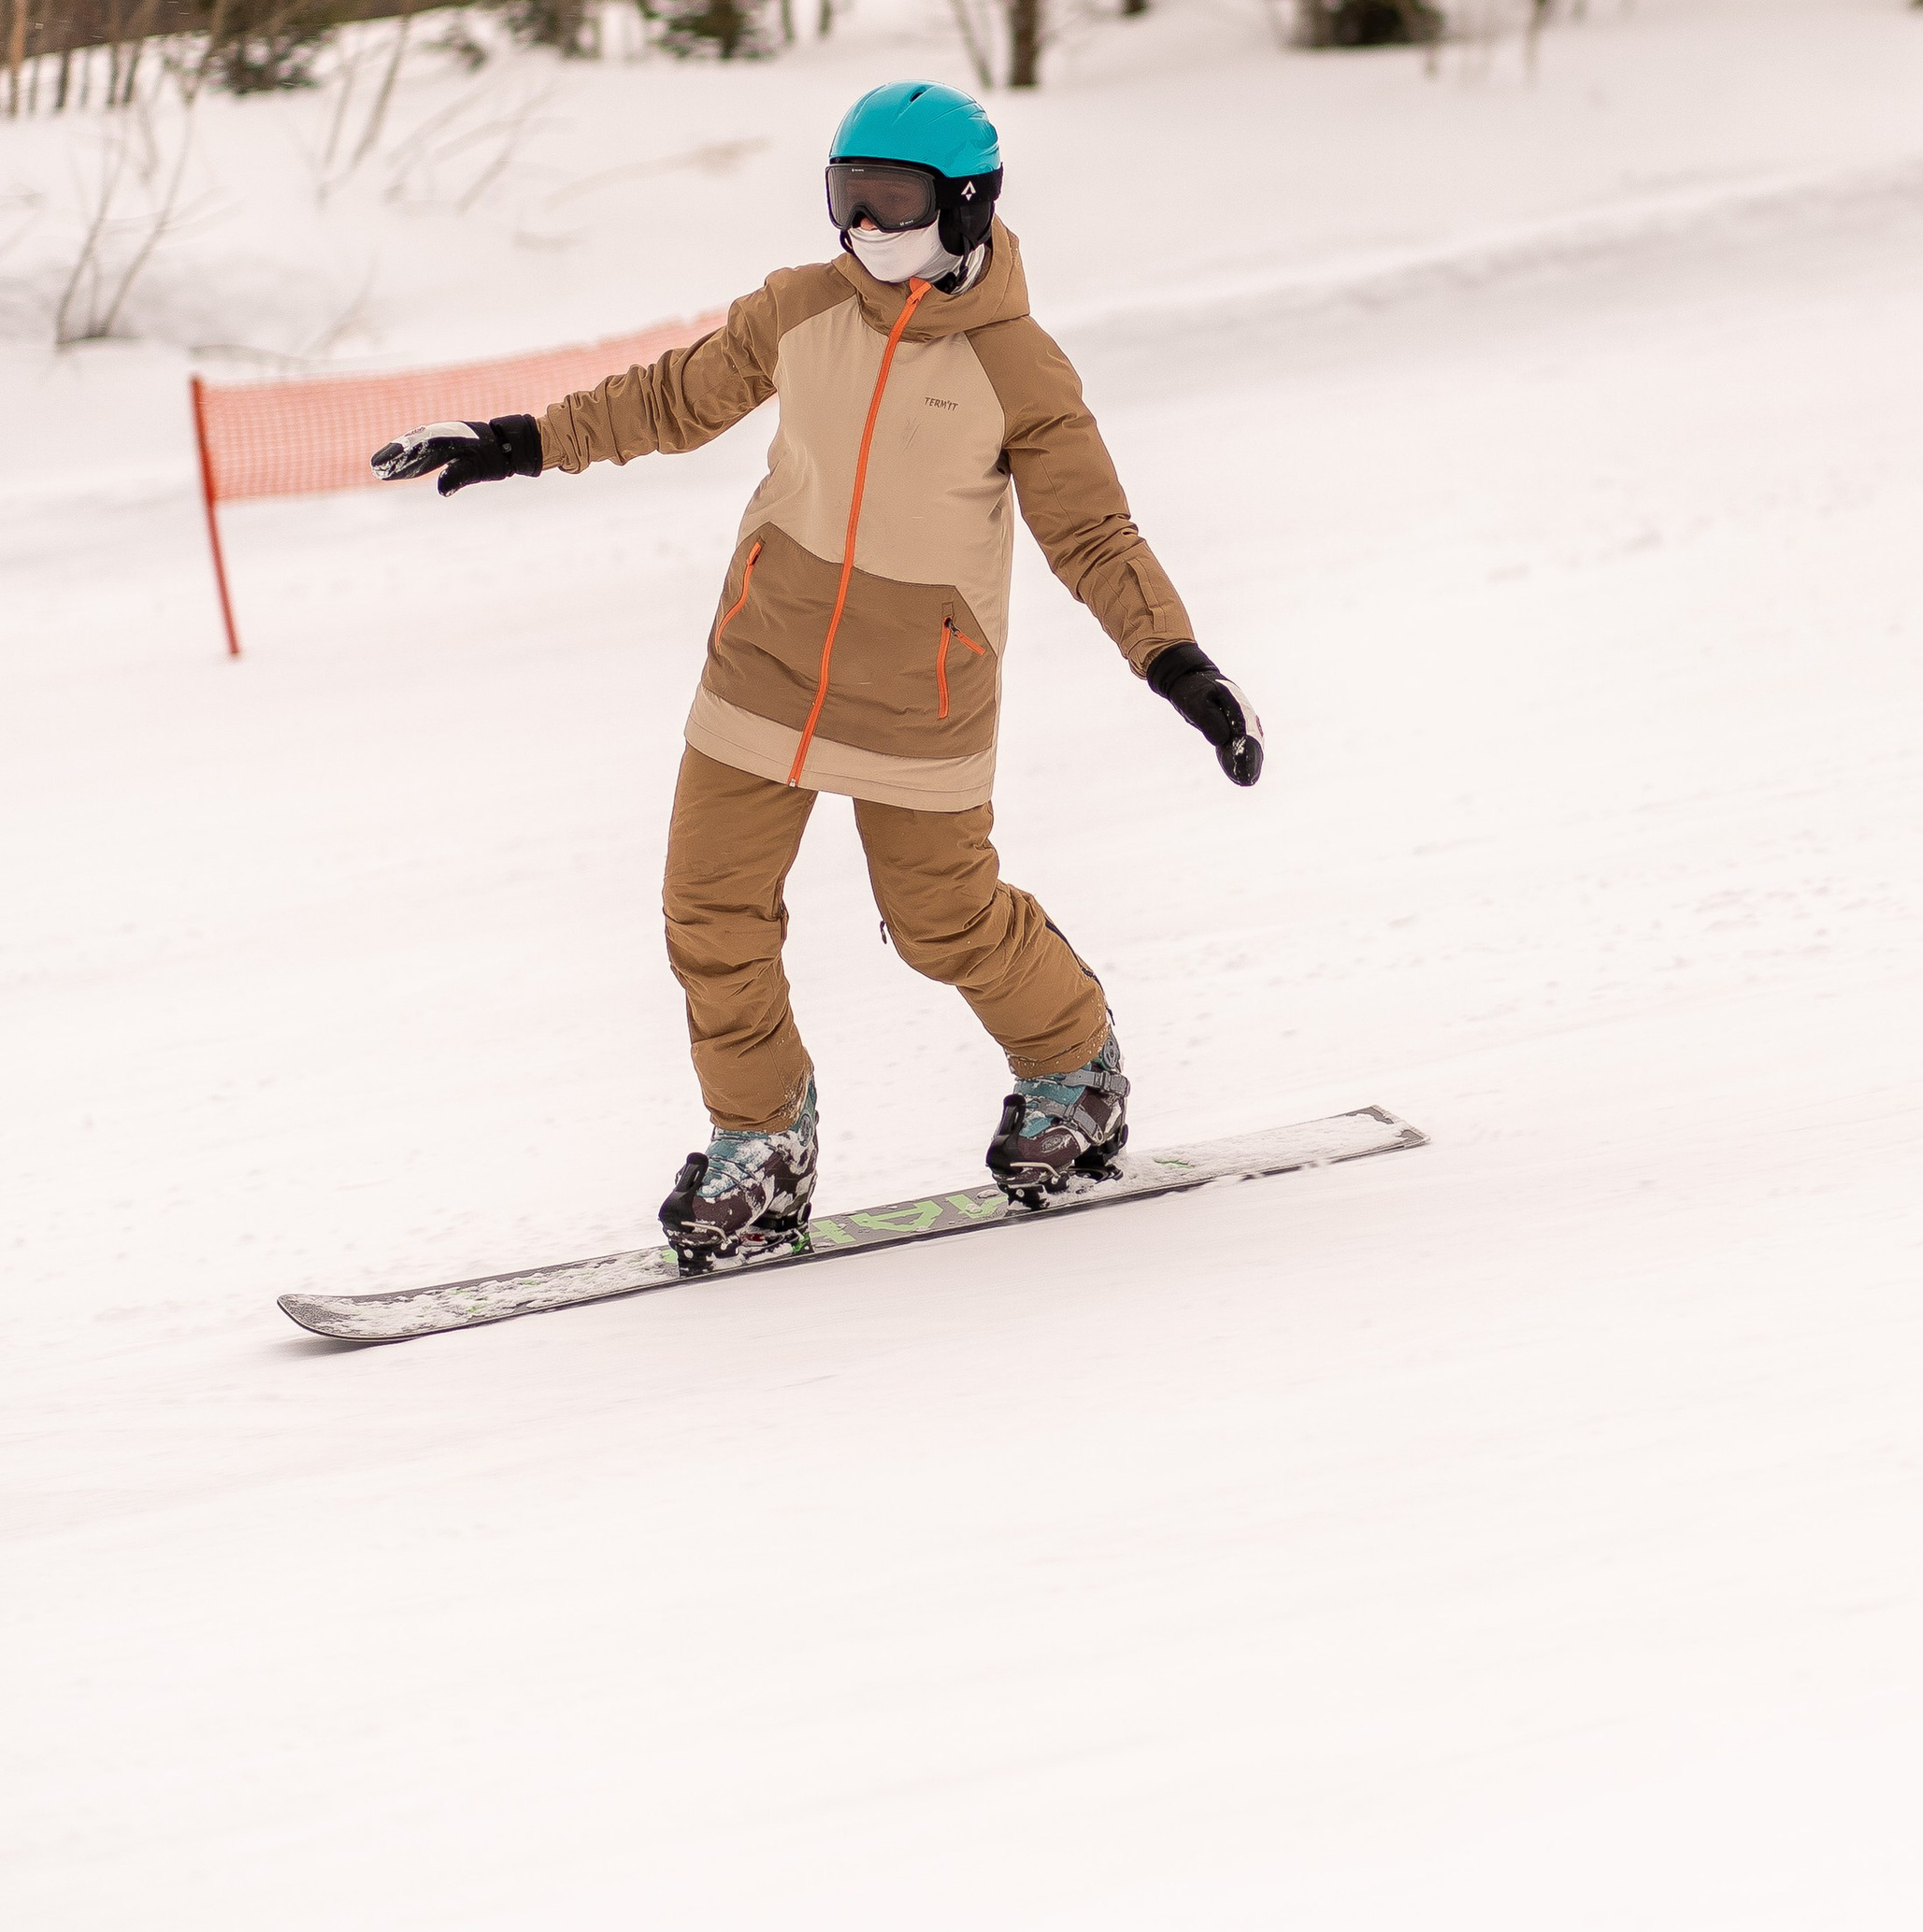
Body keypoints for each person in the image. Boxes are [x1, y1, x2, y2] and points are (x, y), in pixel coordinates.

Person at [371, 79, 1261, 1267]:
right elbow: (668, 399)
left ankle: (1071, 1067)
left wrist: (1175, 661)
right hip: (765, 664)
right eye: (846, 200)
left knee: (943, 920)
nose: (865, 230)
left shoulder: (1018, 367)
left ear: (968, 205)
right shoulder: (798, 310)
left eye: (893, 201)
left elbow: (1093, 534)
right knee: (709, 911)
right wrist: (521, 442)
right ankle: (761, 1145)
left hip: (920, 689)